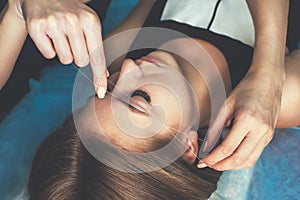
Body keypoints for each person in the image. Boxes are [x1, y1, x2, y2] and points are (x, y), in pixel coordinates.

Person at [1, 0, 300, 198]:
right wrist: (268, 65)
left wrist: (22, 5)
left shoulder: (114, 58)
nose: (128, 69)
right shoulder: (274, 99)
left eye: (105, 90)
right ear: (186, 146)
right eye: (138, 100)